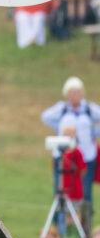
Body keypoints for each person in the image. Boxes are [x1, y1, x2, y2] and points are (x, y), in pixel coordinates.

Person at [42, 76, 100, 219]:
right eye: (72, 92)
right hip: (64, 158)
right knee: (61, 191)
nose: (75, 96)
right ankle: (60, 228)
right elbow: (45, 117)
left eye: (78, 92)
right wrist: (60, 129)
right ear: (67, 94)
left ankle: (85, 225)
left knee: (85, 192)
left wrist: (93, 132)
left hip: (86, 157)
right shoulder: (62, 109)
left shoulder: (88, 109)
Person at [58, 120, 87, 236]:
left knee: (75, 214)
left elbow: (82, 170)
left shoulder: (77, 152)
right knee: (64, 214)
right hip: (64, 190)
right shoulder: (63, 152)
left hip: (75, 190)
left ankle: (78, 235)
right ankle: (64, 235)